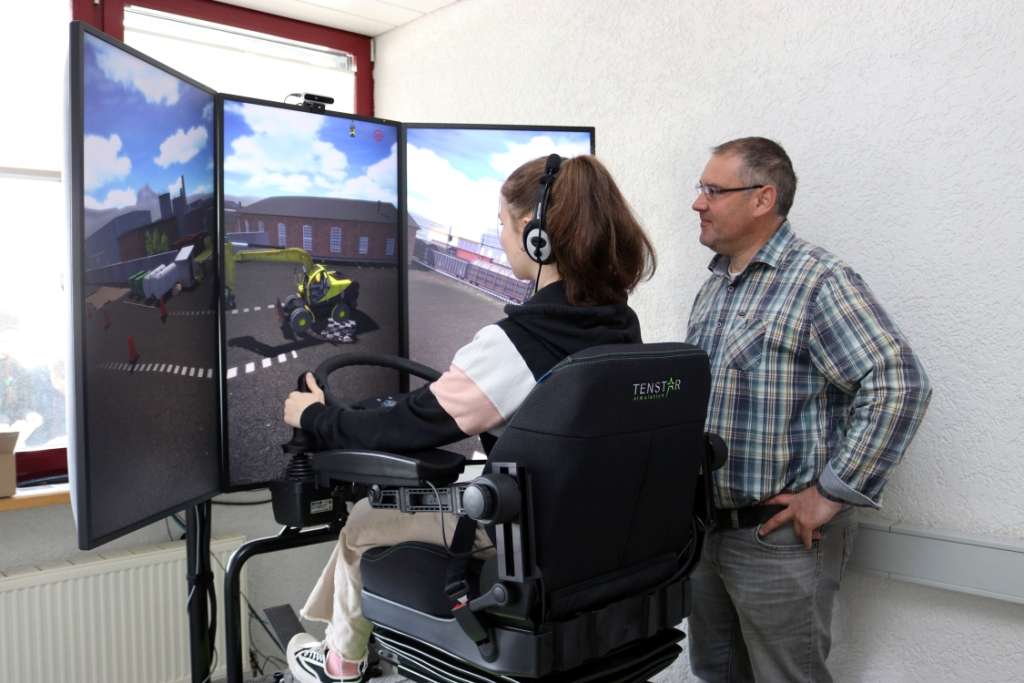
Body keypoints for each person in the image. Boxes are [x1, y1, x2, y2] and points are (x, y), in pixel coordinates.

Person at [281, 153, 656, 683]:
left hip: (523, 539)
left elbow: (410, 426)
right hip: (594, 539)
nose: (500, 236)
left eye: (502, 223)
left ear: (535, 235)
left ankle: (342, 664)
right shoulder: (621, 326)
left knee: (363, 518)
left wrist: (317, 417)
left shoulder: (518, 344)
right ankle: (346, 647)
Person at [685, 137, 931, 682]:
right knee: (715, 673)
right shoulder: (715, 287)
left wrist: (831, 492)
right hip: (707, 532)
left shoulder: (818, 280)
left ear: (762, 198)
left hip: (777, 543)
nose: (698, 203)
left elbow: (899, 383)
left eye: (713, 190)